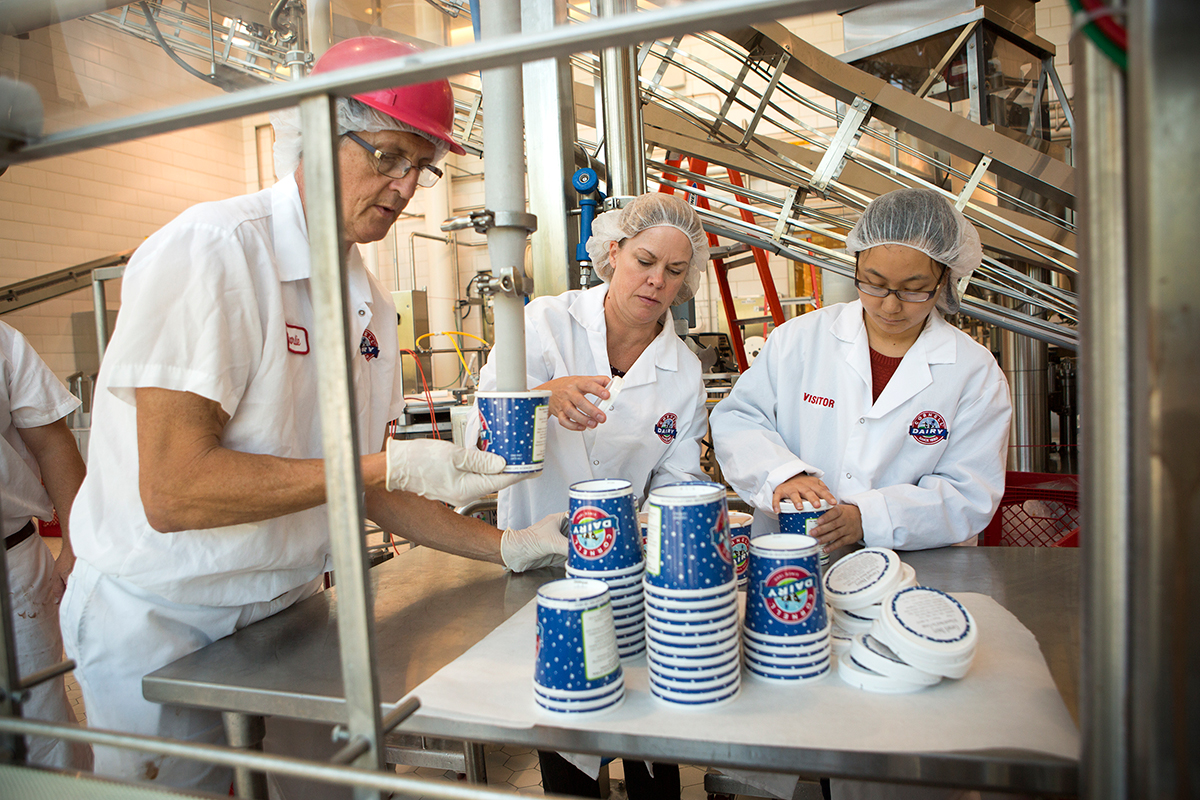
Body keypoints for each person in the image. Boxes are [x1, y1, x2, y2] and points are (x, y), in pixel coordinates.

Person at [60, 36, 565, 793]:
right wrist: (384, 464)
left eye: (421, 168)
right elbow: (173, 492)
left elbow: (360, 485)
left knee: (332, 787)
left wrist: (511, 546)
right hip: (167, 614)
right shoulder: (215, 251)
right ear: (319, 133)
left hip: (290, 609)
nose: (403, 186)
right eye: (388, 156)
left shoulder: (368, 299)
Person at [475, 191, 710, 799]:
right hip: (543, 560)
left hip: (634, 578)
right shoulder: (544, 323)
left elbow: (678, 479)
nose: (657, 281)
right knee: (568, 744)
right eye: (645, 260)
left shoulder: (682, 372)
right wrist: (542, 395)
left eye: (675, 271)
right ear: (614, 252)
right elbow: (482, 420)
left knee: (652, 747)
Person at [710, 187, 1012, 553]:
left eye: (912, 290)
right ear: (855, 264)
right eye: (874, 283)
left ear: (944, 280)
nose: (889, 305)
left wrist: (870, 517)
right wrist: (781, 474)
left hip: (917, 571)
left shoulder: (974, 373)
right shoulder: (800, 340)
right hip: (793, 562)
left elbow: (968, 493)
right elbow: (739, 419)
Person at [0, 320, 92, 771]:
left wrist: (75, 545)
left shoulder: (3, 342)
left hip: (11, 565)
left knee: (38, 720)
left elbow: (53, 445)